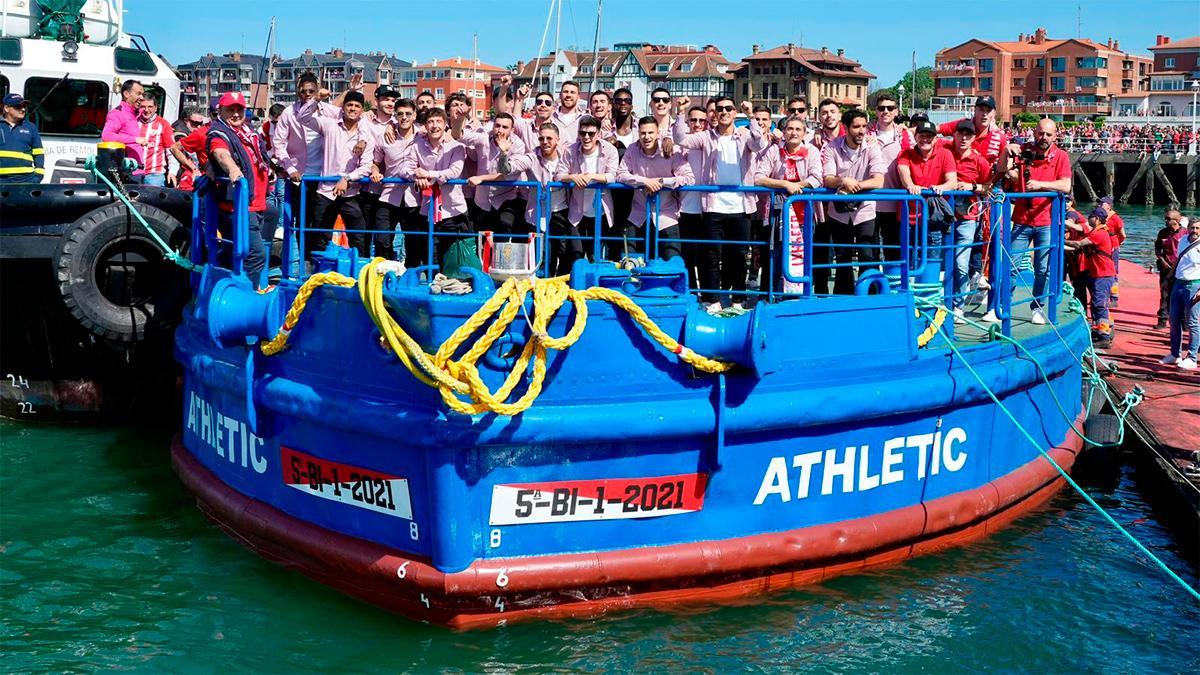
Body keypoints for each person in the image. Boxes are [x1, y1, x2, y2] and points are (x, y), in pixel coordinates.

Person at [672, 96, 767, 311]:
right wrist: (681, 111)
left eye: (728, 108)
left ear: (735, 113)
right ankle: (713, 300)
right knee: (711, 255)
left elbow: (759, 144)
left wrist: (751, 116)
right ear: (714, 114)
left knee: (739, 256)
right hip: (714, 206)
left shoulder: (744, 135)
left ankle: (738, 300)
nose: (724, 112)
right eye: (720, 109)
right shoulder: (706, 137)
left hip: (741, 206)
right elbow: (680, 139)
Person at [989, 118, 1071, 325]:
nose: (1044, 138)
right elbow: (1000, 170)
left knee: (1043, 268)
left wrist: (1040, 185)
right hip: (1022, 219)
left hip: (1046, 221)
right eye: (1041, 133)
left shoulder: (1060, 156)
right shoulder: (1023, 150)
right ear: (1034, 132)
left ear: (1055, 135)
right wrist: (1007, 151)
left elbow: (1065, 186)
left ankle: (1038, 307)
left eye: (1048, 134)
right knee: (1011, 265)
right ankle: (1002, 305)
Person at [297, 90, 376, 259]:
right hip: (326, 191)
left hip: (351, 193)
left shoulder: (366, 136)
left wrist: (347, 179)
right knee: (319, 235)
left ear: (362, 110)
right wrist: (316, 98)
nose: (353, 109)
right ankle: (316, 274)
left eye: (357, 106)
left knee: (358, 235)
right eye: (349, 105)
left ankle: (358, 273)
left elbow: (366, 166)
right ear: (343, 108)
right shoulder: (330, 125)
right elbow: (302, 117)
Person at [205, 92, 269, 287]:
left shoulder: (249, 133)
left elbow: (260, 159)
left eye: (239, 109)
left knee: (271, 220)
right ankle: (245, 295)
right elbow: (220, 153)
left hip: (257, 202)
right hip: (239, 205)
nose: (235, 114)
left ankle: (230, 285)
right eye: (230, 110)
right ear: (220, 112)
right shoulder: (219, 132)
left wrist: (275, 170)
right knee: (255, 254)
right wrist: (233, 169)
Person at [822, 109, 888, 295]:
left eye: (864, 126)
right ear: (846, 127)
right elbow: (827, 178)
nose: (861, 131)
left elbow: (878, 180)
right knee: (842, 257)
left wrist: (855, 185)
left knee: (868, 256)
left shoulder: (872, 147)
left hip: (865, 210)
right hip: (838, 212)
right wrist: (843, 181)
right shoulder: (832, 147)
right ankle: (844, 300)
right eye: (856, 126)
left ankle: (868, 299)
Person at [754, 114, 822, 294]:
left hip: (803, 215)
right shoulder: (774, 151)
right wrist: (785, 184)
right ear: (783, 132)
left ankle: (800, 295)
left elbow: (816, 178)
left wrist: (796, 187)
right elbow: (759, 178)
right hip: (777, 215)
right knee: (775, 256)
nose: (793, 133)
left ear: (804, 133)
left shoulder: (812, 152)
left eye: (798, 129)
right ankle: (772, 295)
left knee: (801, 256)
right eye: (790, 129)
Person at [616, 116, 695, 259]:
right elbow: (620, 174)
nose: (647, 137)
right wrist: (644, 181)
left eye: (650, 133)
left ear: (658, 133)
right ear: (638, 133)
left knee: (672, 263)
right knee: (629, 262)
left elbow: (689, 178)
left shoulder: (671, 150)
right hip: (638, 215)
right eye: (643, 133)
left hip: (666, 216)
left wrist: (661, 182)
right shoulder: (632, 149)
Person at [399, 107, 468, 265]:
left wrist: (429, 175)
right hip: (428, 209)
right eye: (430, 122)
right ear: (425, 125)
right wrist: (416, 176)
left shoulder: (457, 146)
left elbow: (455, 171)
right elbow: (405, 169)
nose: (434, 125)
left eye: (438, 121)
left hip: (454, 209)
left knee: (452, 254)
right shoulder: (417, 146)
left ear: (445, 125)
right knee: (430, 253)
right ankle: (432, 283)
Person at [272, 73, 341, 232]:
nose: (307, 95)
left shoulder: (328, 110)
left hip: (325, 175)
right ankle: (303, 256)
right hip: (301, 175)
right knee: (302, 222)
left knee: (323, 221)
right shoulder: (289, 113)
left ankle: (317, 255)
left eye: (311, 91)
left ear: (317, 90)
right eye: (304, 91)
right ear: (298, 92)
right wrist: (290, 168)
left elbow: (351, 119)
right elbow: (279, 143)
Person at [943, 120, 992, 319]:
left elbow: (988, 187)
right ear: (954, 135)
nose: (963, 138)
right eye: (960, 134)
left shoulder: (979, 161)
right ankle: (940, 300)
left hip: (967, 217)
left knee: (960, 262)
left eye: (968, 135)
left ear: (973, 138)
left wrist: (971, 187)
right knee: (938, 260)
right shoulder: (944, 152)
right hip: (943, 216)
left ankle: (957, 305)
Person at [558, 115, 618, 259]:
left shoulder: (609, 150)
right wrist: (573, 177)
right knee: (576, 255)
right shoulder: (570, 150)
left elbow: (612, 176)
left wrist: (591, 176)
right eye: (582, 133)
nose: (586, 137)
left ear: (598, 134)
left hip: (600, 211)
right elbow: (558, 175)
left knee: (594, 256)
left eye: (591, 134)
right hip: (577, 211)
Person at [463, 112, 534, 234]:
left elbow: (505, 173)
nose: (500, 130)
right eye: (497, 125)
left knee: (504, 228)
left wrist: (503, 153)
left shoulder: (518, 145)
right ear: (493, 126)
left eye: (505, 127)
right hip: (481, 200)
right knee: (481, 240)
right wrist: (458, 119)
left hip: (505, 198)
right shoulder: (484, 137)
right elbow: (460, 136)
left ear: (512, 130)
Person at [372, 98, 420, 264]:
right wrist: (375, 172)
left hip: (415, 198)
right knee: (381, 240)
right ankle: (383, 274)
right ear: (395, 116)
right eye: (400, 114)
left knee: (414, 243)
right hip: (389, 195)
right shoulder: (384, 137)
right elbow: (376, 164)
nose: (404, 117)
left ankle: (411, 279)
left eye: (408, 114)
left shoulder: (423, 136)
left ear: (415, 115)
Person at [867, 92, 913, 263]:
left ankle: (892, 289)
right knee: (869, 253)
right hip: (869, 202)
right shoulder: (865, 133)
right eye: (881, 108)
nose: (885, 111)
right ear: (876, 111)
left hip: (896, 203)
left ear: (896, 111)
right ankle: (872, 288)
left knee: (893, 251)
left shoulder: (905, 135)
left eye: (890, 108)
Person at [1064, 208, 1117, 345]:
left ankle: (1104, 335)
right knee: (1098, 304)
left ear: (1098, 219)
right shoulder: (1097, 232)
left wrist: (1060, 241)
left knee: (1099, 304)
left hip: (1103, 273)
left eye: (1091, 217)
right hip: (1098, 273)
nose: (1089, 219)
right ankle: (1102, 329)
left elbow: (1078, 244)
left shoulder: (1099, 234)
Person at [1162, 217, 1200, 370]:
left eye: (1198, 228)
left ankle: (1191, 357)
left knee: (1193, 322)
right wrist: (1169, 278)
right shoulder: (1183, 240)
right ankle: (1175, 354)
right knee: (1174, 319)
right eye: (1193, 227)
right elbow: (1179, 260)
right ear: (1188, 228)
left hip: (1194, 284)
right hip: (1179, 283)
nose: (1195, 231)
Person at [101, 79, 148, 178]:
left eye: (142, 94)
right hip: (126, 172)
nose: (142, 97)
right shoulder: (117, 114)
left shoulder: (135, 113)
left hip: (138, 171)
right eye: (138, 94)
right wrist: (135, 140)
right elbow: (106, 136)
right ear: (126, 94)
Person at [1154, 208, 1188, 328]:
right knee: (1164, 294)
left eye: (1168, 219)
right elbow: (1157, 248)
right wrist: (1162, 260)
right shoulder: (1163, 232)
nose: (1166, 221)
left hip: (1181, 269)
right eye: (1166, 218)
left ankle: (1184, 322)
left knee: (1181, 294)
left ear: (1177, 220)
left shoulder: (1186, 233)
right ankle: (1162, 320)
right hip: (1166, 269)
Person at [0, 93, 44, 184]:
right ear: (6, 108)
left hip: (26, 180)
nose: (23, 109)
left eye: (24, 106)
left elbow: (39, 153)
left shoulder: (31, 127)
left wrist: (38, 176)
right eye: (18, 106)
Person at [136, 97, 174, 187]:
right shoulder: (133, 121)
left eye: (150, 107)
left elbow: (171, 151)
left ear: (156, 108)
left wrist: (172, 172)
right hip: (134, 173)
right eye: (143, 106)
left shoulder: (163, 124)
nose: (146, 110)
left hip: (155, 175)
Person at [1099, 196, 1126, 305]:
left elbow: (1123, 234)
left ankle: (1114, 297)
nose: (1100, 205)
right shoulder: (1100, 216)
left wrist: (1117, 244)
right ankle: (1103, 295)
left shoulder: (1115, 218)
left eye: (1102, 203)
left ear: (1109, 206)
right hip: (1103, 245)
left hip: (1112, 245)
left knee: (1112, 271)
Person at [552, 81, 583, 145]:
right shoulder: (550, 118)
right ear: (560, 95)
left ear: (578, 97)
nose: (569, 95)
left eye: (572, 92)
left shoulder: (585, 119)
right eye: (565, 92)